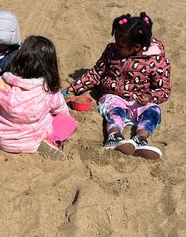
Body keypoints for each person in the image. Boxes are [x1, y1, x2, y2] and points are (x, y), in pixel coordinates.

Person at [66, 12, 171, 160]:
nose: (115, 46)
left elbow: (164, 90)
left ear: (137, 47)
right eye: (115, 41)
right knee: (115, 112)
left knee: (154, 111)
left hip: (140, 102)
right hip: (114, 96)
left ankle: (141, 139)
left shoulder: (157, 61)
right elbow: (96, 73)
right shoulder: (111, 51)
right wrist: (75, 87)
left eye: (120, 45)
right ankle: (114, 136)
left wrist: (150, 97)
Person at [0, 36, 77, 160]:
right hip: (34, 140)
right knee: (69, 121)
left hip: (3, 139)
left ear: (19, 57)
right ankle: (51, 141)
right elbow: (62, 112)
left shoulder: (1, 83)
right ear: (50, 65)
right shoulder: (48, 90)